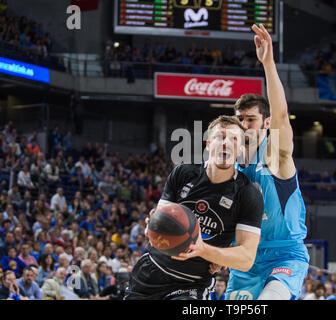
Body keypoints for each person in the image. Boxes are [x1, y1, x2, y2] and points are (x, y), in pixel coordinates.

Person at [124, 115, 264, 300]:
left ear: (239, 150)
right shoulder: (183, 173)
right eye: (221, 137)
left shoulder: (247, 194)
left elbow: (246, 258)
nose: (226, 143)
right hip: (151, 270)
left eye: (234, 139)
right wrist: (154, 225)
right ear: (208, 144)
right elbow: (158, 224)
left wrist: (204, 250)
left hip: (191, 284)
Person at [226, 24, 309, 300]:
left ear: (266, 123)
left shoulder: (275, 158)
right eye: (240, 119)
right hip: (245, 258)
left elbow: (282, 117)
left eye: (250, 119)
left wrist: (268, 63)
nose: (244, 125)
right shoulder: (229, 166)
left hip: (284, 255)